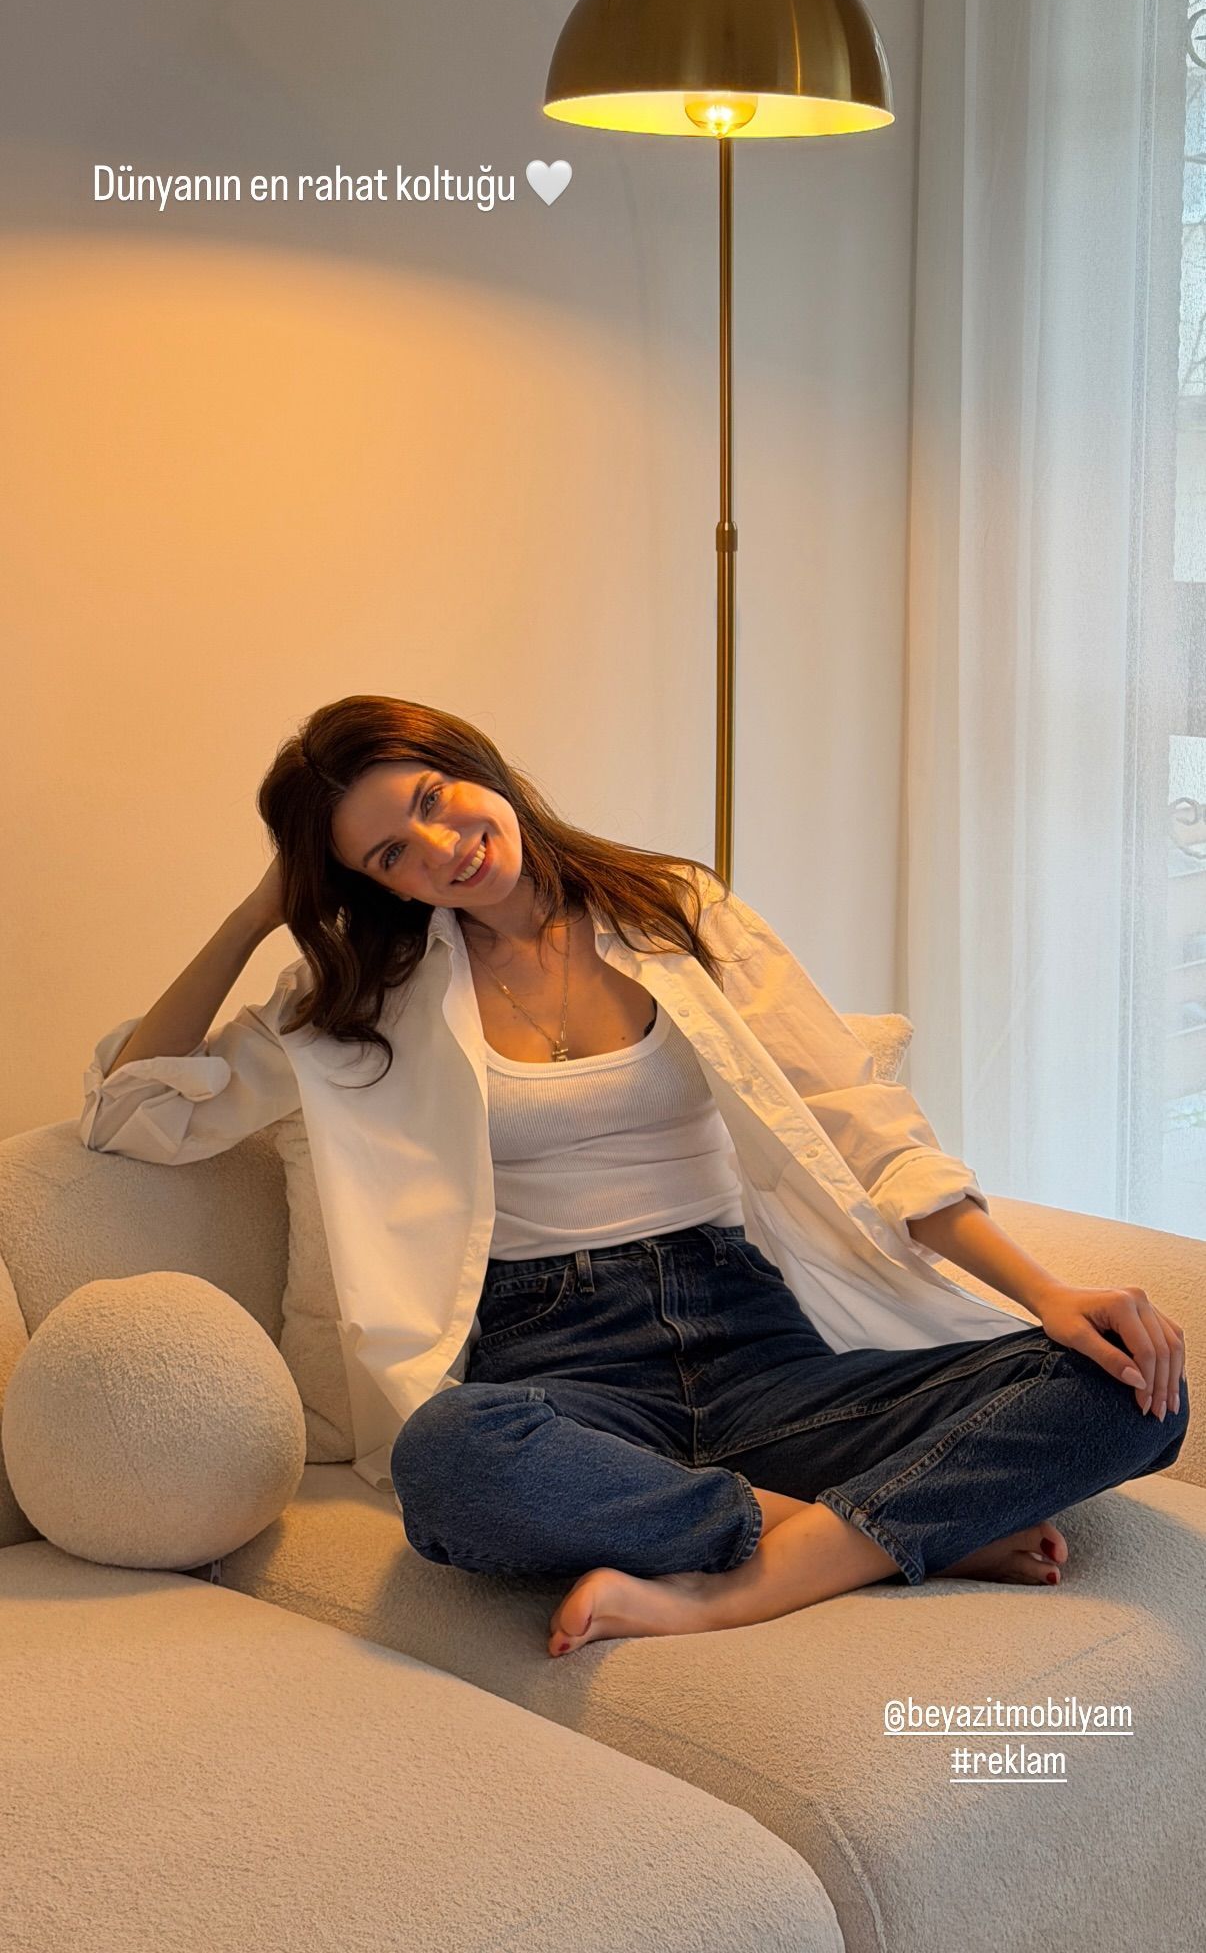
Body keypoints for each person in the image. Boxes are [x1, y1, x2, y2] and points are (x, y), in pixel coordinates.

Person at [83, 694, 1189, 1660]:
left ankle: (745, 1580)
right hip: (563, 1366)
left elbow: (865, 1126)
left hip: (758, 1342)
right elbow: (133, 1111)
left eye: (431, 798)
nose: (440, 848)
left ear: (470, 761)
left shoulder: (675, 907)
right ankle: (880, 1527)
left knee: (1131, 1386)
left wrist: (1047, 1293)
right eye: (390, 855)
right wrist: (258, 911)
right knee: (451, 1459)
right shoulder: (365, 999)